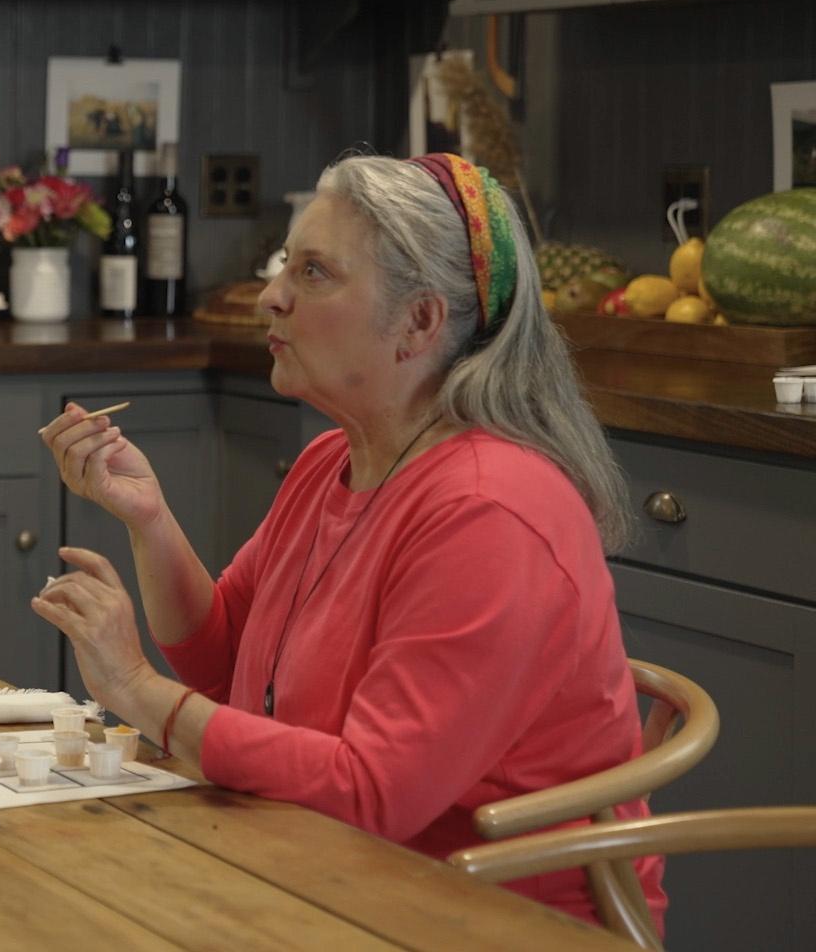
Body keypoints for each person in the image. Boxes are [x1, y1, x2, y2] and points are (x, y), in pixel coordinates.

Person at [34, 152, 664, 931]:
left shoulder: (490, 510)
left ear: (419, 321)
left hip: (483, 916)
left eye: (314, 273)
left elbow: (372, 795)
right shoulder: (334, 459)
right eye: (281, 267)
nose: (272, 297)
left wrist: (134, 689)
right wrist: (149, 519)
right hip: (326, 870)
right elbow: (228, 662)